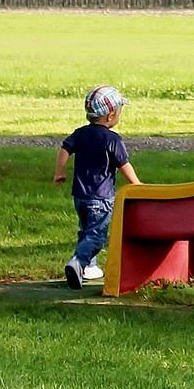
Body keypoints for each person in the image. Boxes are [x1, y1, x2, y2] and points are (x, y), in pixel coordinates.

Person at [54, 84, 141, 289]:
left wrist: (59, 172)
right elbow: (123, 164)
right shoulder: (112, 139)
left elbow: (64, 149)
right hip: (101, 198)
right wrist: (136, 184)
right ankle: (78, 263)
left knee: (85, 230)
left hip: (80, 197)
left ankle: (89, 267)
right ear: (110, 116)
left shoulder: (80, 134)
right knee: (96, 236)